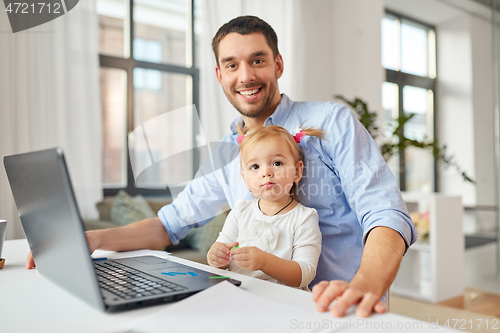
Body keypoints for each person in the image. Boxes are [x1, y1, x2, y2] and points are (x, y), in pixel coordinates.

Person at [27, 15, 417, 318]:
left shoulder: (332, 122)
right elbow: (169, 224)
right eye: (231, 65)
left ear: (278, 65)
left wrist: (366, 283)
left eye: (257, 60)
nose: (245, 76)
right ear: (219, 75)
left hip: (339, 309)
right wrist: (93, 240)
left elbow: (384, 212)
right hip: (259, 309)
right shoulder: (225, 156)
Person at [207, 125, 324, 289]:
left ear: (297, 172)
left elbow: (304, 274)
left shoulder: (304, 217)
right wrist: (215, 257)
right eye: (255, 167)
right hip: (239, 294)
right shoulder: (240, 211)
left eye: (277, 163)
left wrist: (264, 261)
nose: (266, 172)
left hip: (282, 301)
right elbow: (221, 255)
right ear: (245, 180)